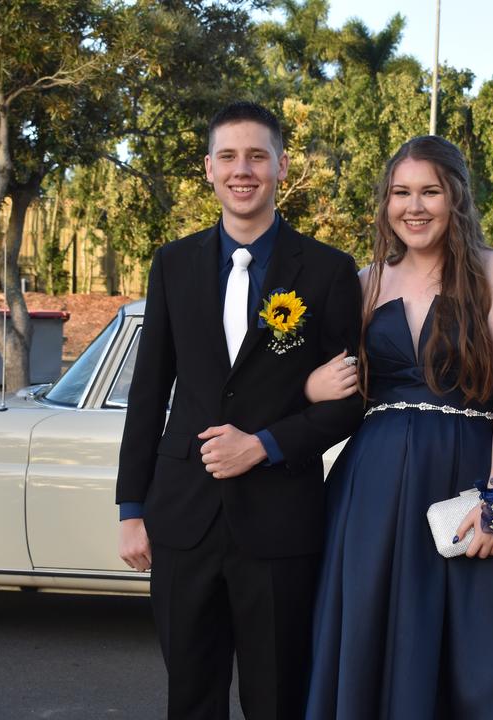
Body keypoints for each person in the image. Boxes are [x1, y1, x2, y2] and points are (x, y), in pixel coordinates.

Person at [302, 136, 493, 719]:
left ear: (456, 199)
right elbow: (336, 376)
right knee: (381, 637)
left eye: (429, 192)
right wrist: (310, 388)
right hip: (375, 493)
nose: (413, 207)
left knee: (491, 656)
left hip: (477, 477)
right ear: (385, 202)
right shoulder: (366, 281)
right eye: (400, 192)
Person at [115, 101, 364, 720]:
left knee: (277, 698)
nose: (242, 169)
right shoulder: (172, 263)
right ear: (208, 168)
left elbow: (350, 403)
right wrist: (130, 509)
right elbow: (148, 393)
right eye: (228, 156)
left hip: (281, 522)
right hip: (183, 519)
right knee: (190, 697)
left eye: (257, 155)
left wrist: (263, 444)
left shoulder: (330, 272)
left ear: (281, 165)